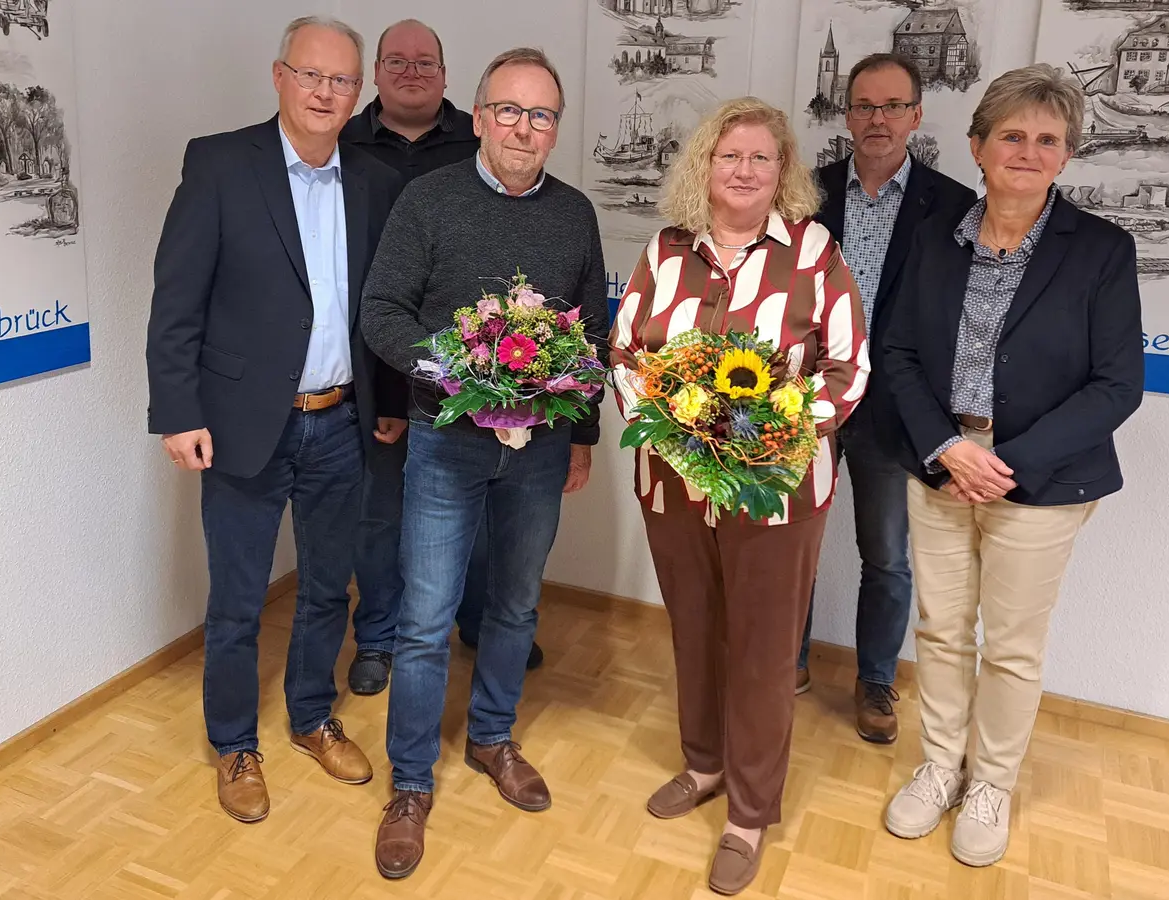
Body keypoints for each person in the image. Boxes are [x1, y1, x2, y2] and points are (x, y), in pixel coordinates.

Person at [878, 63, 1143, 867]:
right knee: (942, 632)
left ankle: (991, 782)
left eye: (1047, 140)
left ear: (1066, 155)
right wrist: (948, 448)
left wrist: (1007, 464)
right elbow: (895, 352)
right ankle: (939, 766)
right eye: (1012, 136)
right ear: (978, 146)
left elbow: (1117, 385)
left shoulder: (1100, 249)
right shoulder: (933, 237)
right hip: (941, 461)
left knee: (1013, 648)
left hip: (1043, 479)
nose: (1027, 151)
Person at [143, 16, 405, 825]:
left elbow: (384, 310)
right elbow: (176, 300)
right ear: (280, 76)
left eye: (343, 81)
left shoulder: (373, 180)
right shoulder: (220, 164)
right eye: (312, 75)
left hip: (340, 424)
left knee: (328, 587)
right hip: (243, 425)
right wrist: (178, 411)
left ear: (359, 92)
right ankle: (233, 744)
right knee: (237, 599)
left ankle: (310, 717)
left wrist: (389, 404)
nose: (327, 93)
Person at [608, 97, 869, 896]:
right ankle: (704, 764)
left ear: (783, 172)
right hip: (675, 483)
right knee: (694, 627)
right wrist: (673, 433)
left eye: (762, 158)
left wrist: (772, 436)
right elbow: (624, 352)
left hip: (776, 492)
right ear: (704, 168)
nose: (746, 171)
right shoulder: (664, 252)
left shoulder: (816, 254)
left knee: (761, 649)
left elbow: (847, 367)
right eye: (731, 157)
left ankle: (750, 811)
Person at [360, 47, 606, 880]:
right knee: (426, 620)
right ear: (478, 114)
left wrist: (581, 434)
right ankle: (409, 784)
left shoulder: (575, 213)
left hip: (537, 454)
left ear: (555, 129)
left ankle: (494, 740)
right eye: (508, 110)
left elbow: (595, 332)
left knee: (514, 605)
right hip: (444, 444)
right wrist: (454, 372)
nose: (523, 128)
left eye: (540, 116)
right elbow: (382, 310)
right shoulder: (427, 201)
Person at [339, 19, 541, 697]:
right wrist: (388, 394)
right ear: (376, 74)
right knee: (379, 513)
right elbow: (373, 296)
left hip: (475, 386)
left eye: (426, 61)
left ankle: (482, 624)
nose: (412, 71)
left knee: (476, 511)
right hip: (371, 363)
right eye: (396, 61)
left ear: (450, 79)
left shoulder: (481, 144)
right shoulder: (342, 143)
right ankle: (377, 637)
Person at [796, 53, 977, 744]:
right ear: (847, 116)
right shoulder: (805, 194)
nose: (878, 119)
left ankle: (875, 682)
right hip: (806, 395)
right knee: (793, 540)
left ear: (916, 116)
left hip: (893, 403)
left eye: (892, 106)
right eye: (865, 106)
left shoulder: (953, 205)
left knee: (887, 555)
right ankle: (788, 663)